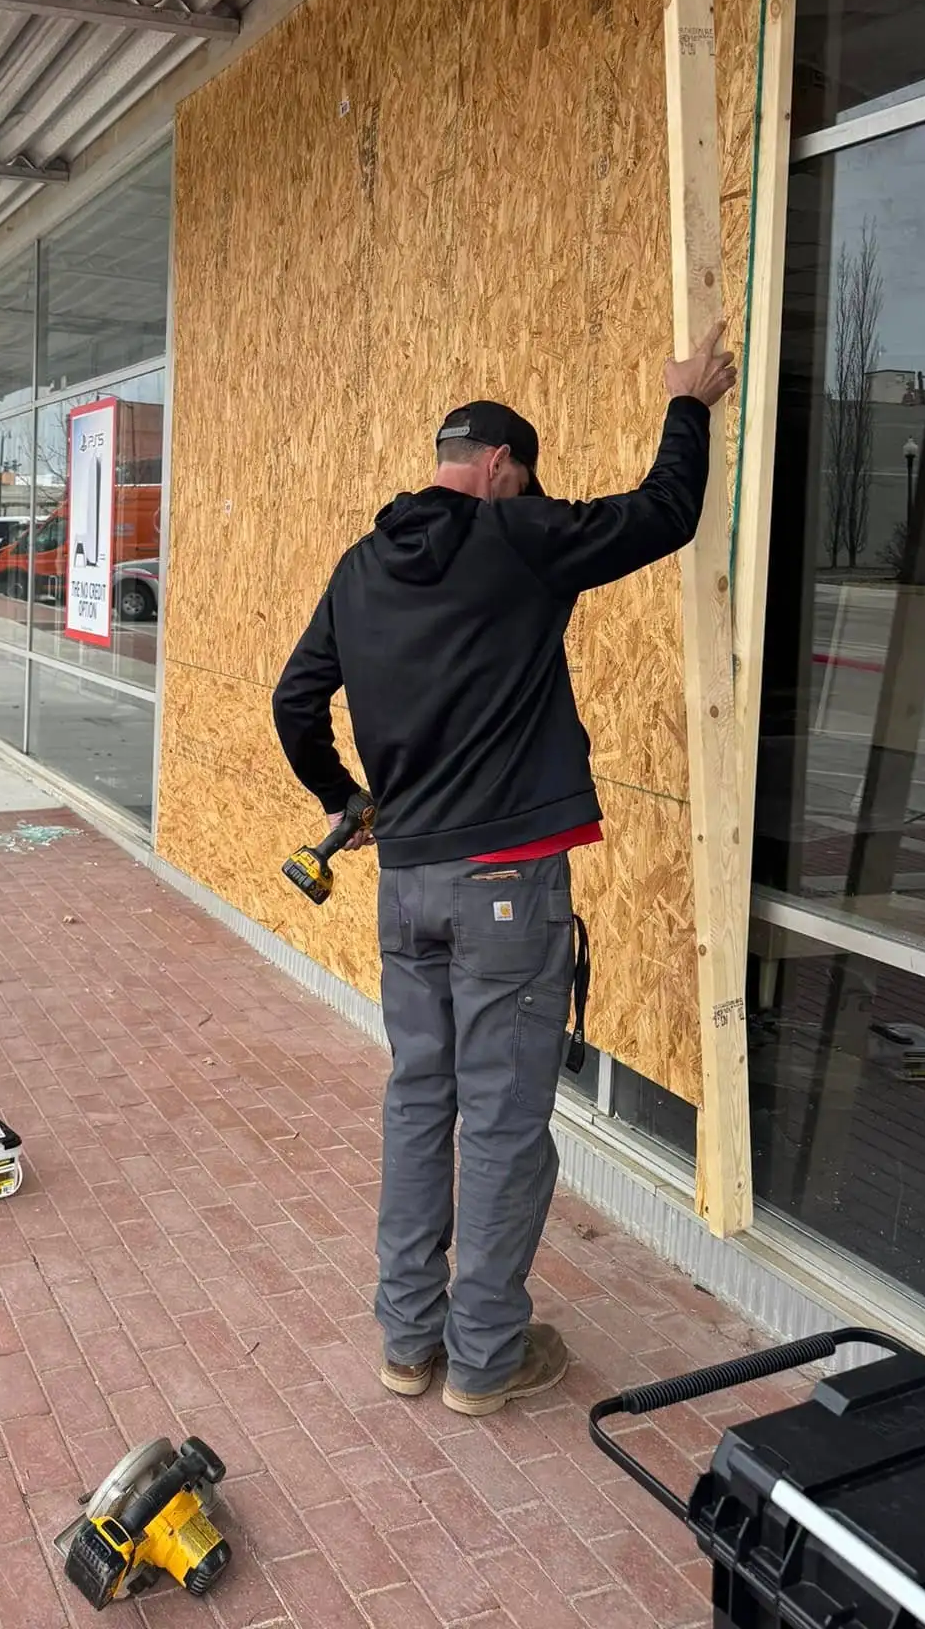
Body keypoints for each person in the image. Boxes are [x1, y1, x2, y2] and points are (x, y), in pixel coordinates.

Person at [271, 325, 737, 1417]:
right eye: (525, 478)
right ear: (500, 467)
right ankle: (484, 1357)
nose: (529, 493)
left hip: (409, 885)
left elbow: (295, 701)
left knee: (417, 1104)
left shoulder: (359, 564)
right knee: (505, 1120)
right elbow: (662, 513)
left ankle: (406, 1341)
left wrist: (345, 799)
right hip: (508, 887)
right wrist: (688, 399)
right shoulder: (517, 533)